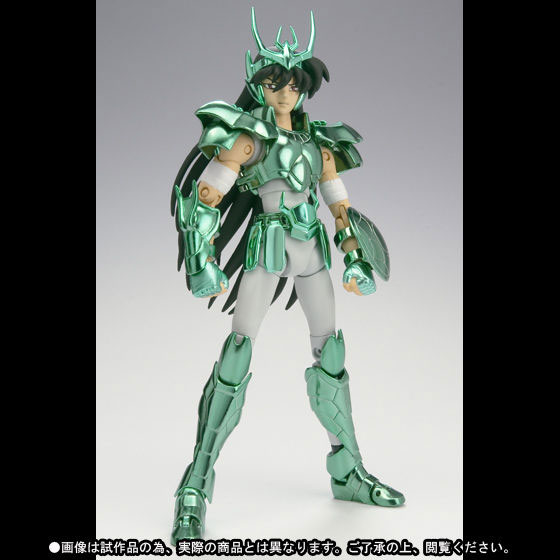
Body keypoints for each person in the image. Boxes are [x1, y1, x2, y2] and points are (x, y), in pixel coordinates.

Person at [170, 8, 404, 543]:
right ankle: (195, 484)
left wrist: (355, 255)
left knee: (332, 354)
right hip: (268, 248)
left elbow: (339, 205)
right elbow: (205, 197)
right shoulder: (248, 138)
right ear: (261, 84)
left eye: (293, 85)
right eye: (275, 84)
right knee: (237, 354)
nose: (284, 93)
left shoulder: (319, 142)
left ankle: (347, 471)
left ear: (304, 88)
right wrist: (202, 258)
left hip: (312, 252)